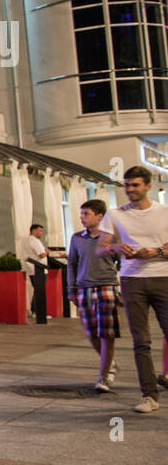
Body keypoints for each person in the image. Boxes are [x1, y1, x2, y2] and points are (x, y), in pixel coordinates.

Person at [96, 166, 168, 413]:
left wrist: (156, 251)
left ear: (148, 185)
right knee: (141, 340)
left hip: (163, 277)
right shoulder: (115, 214)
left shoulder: (164, 212)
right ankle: (149, 395)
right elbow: (100, 248)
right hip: (131, 280)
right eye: (127, 185)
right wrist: (116, 248)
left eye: (135, 185)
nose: (130, 190)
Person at [68, 199, 121, 392]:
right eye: (81, 213)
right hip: (83, 288)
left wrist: (121, 289)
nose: (82, 217)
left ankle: (104, 376)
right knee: (90, 332)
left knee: (107, 332)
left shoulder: (112, 238)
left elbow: (122, 263)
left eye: (86, 213)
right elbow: (72, 264)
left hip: (107, 287)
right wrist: (71, 289)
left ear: (100, 216)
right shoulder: (77, 238)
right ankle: (110, 363)